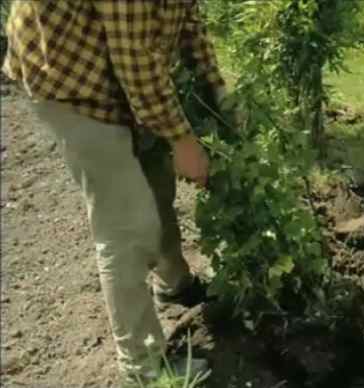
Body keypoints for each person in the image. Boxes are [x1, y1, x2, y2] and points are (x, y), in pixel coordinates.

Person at [3, 0, 231, 385]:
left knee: (157, 182)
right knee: (127, 224)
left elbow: (186, 19)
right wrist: (183, 139)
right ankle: (144, 368)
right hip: (68, 83)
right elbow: (137, 63)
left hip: (111, 65)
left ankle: (174, 285)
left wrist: (218, 89)